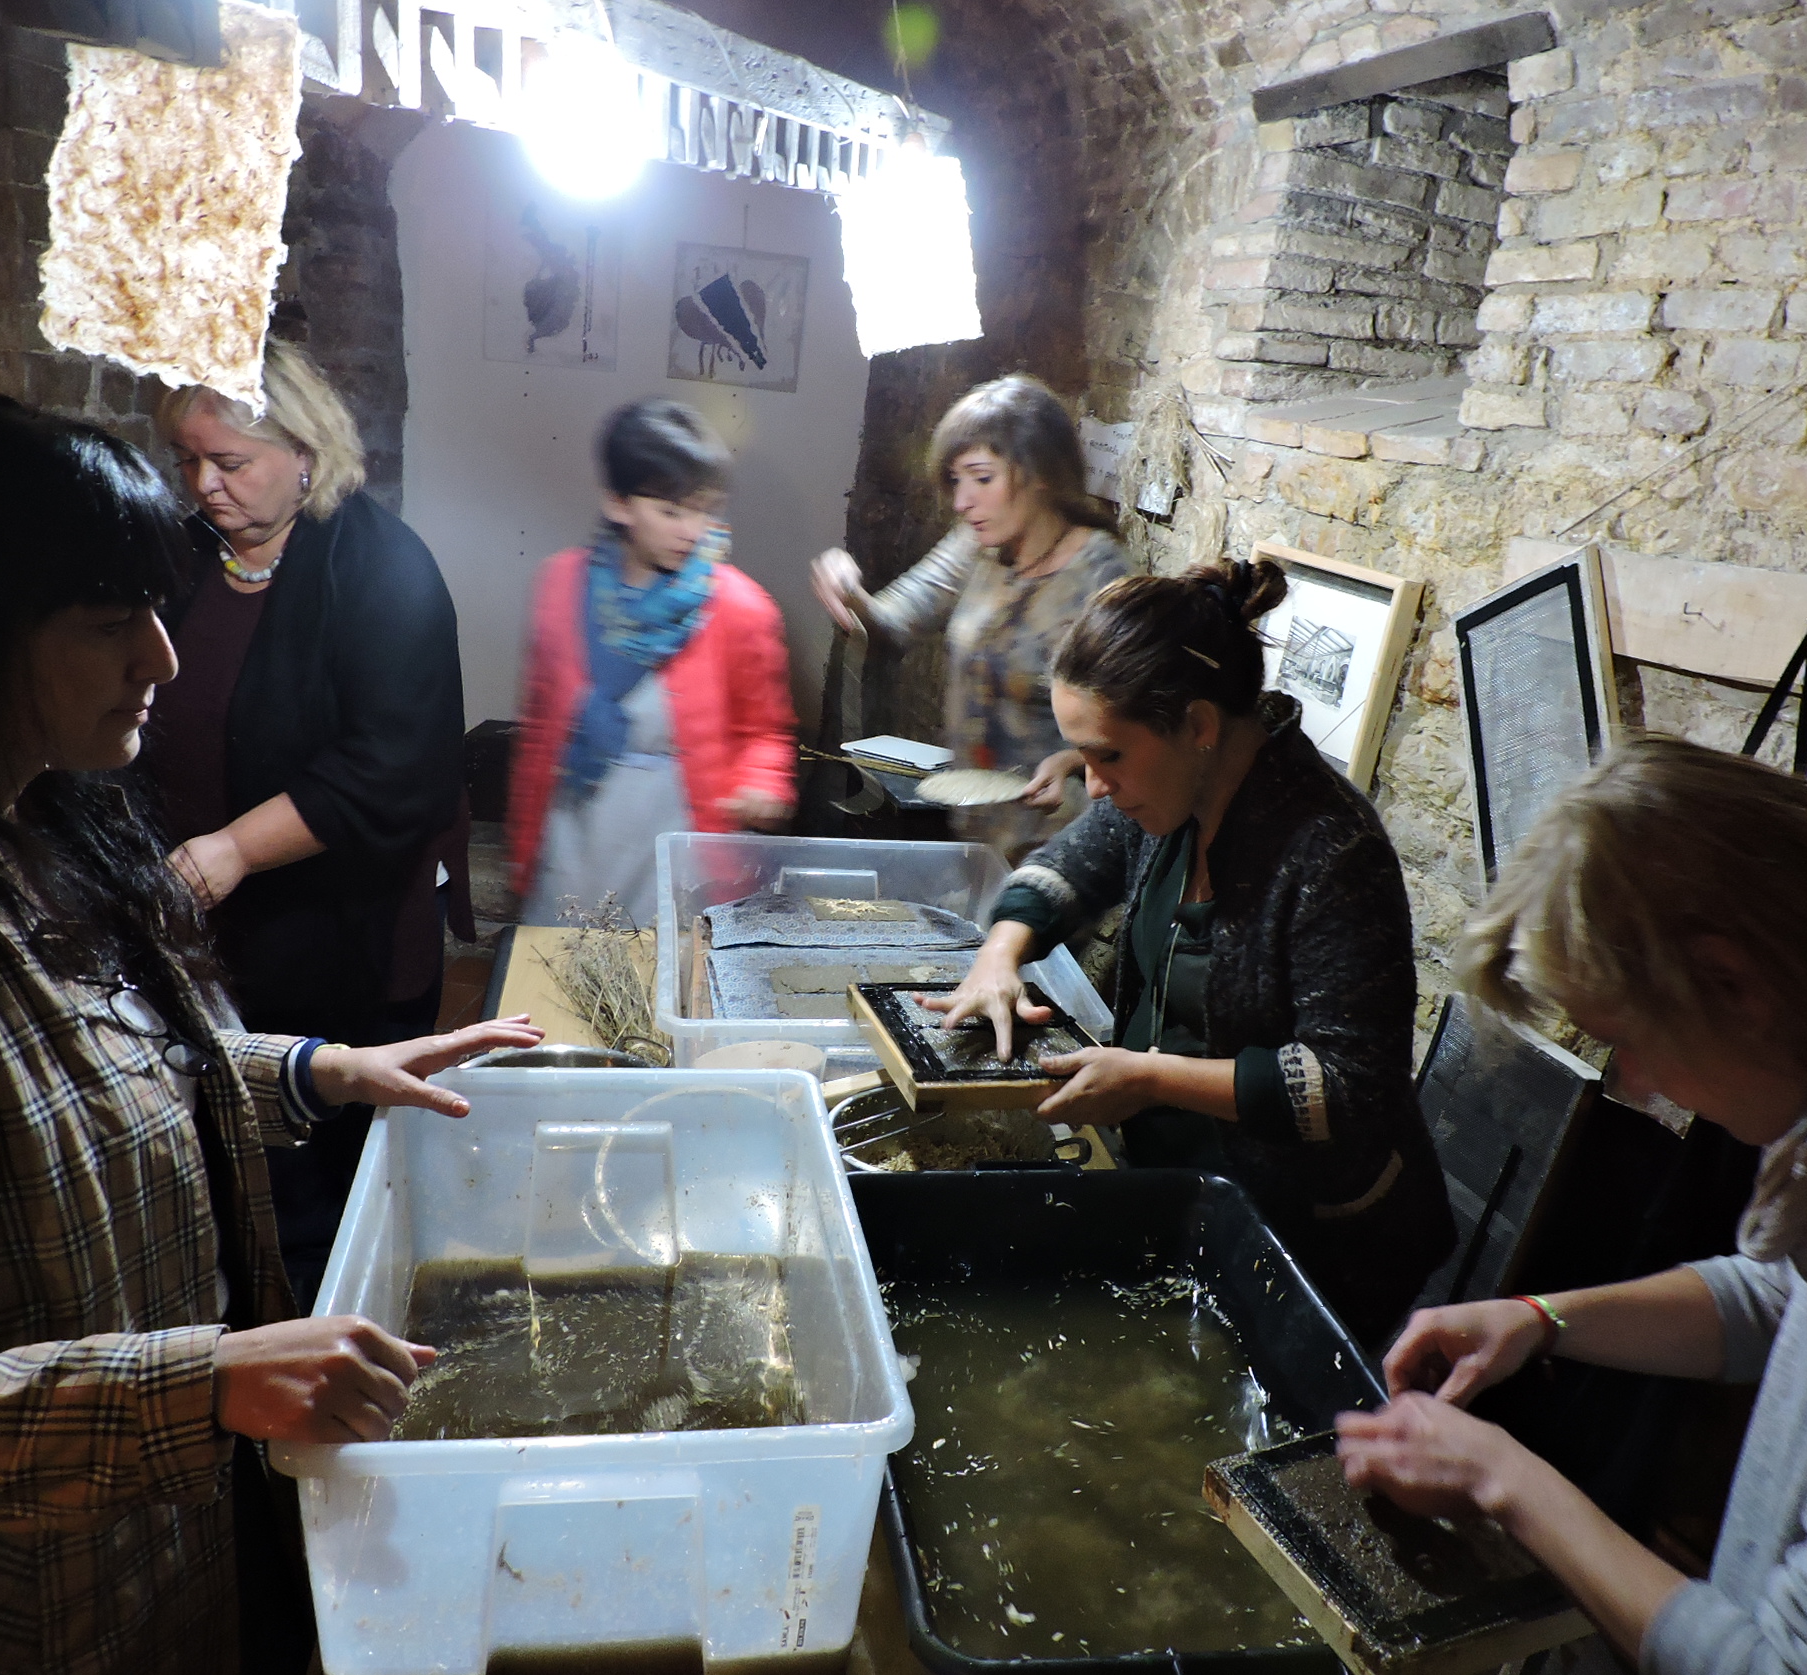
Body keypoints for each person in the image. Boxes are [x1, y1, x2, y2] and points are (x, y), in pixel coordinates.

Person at [0, 393, 542, 1675]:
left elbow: (91, 1075)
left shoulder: (29, 826)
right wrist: (205, 1384)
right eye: (107, 621)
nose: (165, 658)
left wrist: (317, 1070)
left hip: (147, 1565)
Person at [1336, 738, 1807, 1675]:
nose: (1636, 1082)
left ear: (1732, 985)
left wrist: (1504, 1481)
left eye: (1627, 1038)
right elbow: (1786, 1296)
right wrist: (1544, 1319)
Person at [932, 562, 1455, 1345]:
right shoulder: (1171, 788)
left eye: (1108, 756)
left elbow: (1347, 1086)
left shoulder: (1329, 850)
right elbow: (1072, 864)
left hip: (1313, 1239)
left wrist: (1148, 1078)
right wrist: (998, 957)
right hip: (1182, 1184)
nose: (1093, 785)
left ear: (1198, 725)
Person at [149, 342, 466, 1308]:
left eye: (229, 462)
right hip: (205, 930)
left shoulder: (382, 571)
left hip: (338, 940)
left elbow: (390, 770)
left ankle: (323, 1339)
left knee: (318, 1183)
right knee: (221, 1155)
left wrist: (234, 848)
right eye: (188, 461)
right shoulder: (182, 557)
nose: (204, 485)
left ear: (306, 456)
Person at [810, 373, 1132, 862]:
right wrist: (849, 590)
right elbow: (894, 621)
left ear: (1040, 472)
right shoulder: (977, 547)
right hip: (978, 831)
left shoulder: (1100, 574)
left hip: (1061, 842)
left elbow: (1137, 724)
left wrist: (1073, 760)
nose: (963, 502)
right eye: (957, 480)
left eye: (982, 479)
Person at [506, 397, 797, 924]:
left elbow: (765, 731)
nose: (693, 530)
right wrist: (522, 848)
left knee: (658, 962)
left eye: (705, 509)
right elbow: (539, 729)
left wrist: (762, 781)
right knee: (557, 960)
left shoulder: (738, 608)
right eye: (671, 511)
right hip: (574, 831)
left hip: (674, 838)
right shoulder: (560, 587)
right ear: (618, 503)